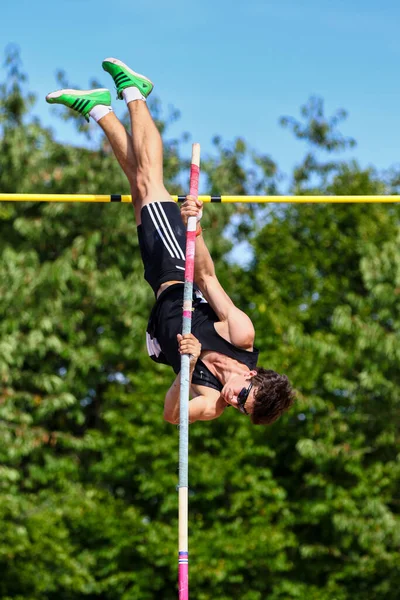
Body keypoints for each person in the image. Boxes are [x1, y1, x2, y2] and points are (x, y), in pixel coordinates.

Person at [46, 58, 295, 425]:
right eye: (244, 395)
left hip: (157, 284)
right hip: (178, 265)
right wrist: (193, 227)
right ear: (253, 375)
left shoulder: (211, 402)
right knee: (150, 182)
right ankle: (135, 93)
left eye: (242, 408)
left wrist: (187, 367)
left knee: (138, 188)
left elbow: (171, 415)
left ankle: (99, 109)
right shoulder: (240, 334)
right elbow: (208, 279)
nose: (235, 400)